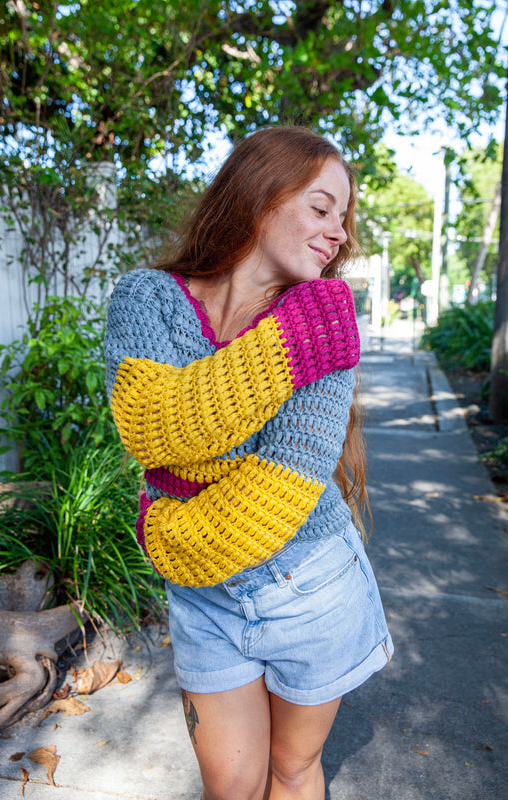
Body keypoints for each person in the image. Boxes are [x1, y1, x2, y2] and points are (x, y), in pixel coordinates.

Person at [104, 126, 393, 800]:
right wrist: (291, 343)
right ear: (259, 195)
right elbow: (153, 426)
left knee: (291, 772)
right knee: (230, 786)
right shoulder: (148, 297)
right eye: (320, 208)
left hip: (310, 582)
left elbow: (275, 493)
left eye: (343, 217)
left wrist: (168, 520)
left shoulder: (326, 317)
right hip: (204, 600)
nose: (338, 234)